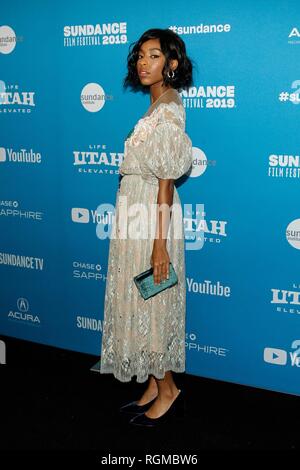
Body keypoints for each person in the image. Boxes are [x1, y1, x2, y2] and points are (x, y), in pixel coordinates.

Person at [100, 28, 194, 427]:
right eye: (140, 55)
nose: (143, 62)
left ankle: (168, 389)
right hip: (136, 213)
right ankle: (155, 384)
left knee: (152, 303)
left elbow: (166, 183)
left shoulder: (169, 110)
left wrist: (159, 245)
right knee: (142, 301)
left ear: (171, 64)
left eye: (153, 56)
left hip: (152, 217)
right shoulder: (155, 107)